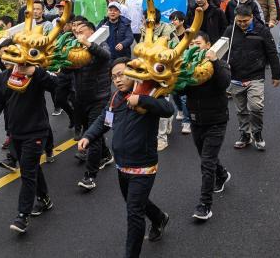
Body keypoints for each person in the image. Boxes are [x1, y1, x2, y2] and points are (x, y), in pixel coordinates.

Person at [79, 57, 172, 257]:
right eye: (114, 77)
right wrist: (87, 136)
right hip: (122, 166)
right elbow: (104, 120)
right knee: (135, 203)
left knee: (134, 213)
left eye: (121, 74)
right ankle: (159, 218)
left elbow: (168, 109)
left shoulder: (150, 93)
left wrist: (143, 100)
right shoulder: (116, 99)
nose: (118, 80)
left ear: (134, 73)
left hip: (144, 167)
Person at [0, 63, 57, 234]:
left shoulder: (35, 72)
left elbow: (56, 86)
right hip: (16, 132)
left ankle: (23, 216)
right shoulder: (4, 76)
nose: (6, 60)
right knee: (32, 167)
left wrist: (36, 72)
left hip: (36, 131)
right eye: (5, 55)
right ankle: (44, 199)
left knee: (27, 172)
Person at [186, 32, 231, 220]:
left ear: (208, 45)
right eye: (191, 44)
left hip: (216, 120)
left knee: (206, 161)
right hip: (196, 120)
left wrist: (215, 61)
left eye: (198, 43)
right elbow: (180, 88)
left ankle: (205, 205)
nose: (194, 47)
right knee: (206, 157)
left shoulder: (220, 63)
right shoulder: (187, 66)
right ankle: (222, 174)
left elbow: (224, 83)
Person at [225, 5, 280, 151]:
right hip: (236, 76)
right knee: (241, 109)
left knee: (256, 107)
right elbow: (222, 50)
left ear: (251, 17)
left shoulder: (262, 30)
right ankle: (245, 134)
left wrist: (276, 75)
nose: (242, 24)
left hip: (255, 75)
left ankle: (257, 133)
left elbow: (272, 52)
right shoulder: (230, 31)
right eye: (239, 21)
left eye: (245, 21)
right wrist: (224, 66)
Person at [72, 20, 114, 190]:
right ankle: (106, 155)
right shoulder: (76, 50)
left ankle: (90, 176)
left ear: (91, 31)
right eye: (76, 32)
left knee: (93, 136)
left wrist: (88, 44)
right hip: (81, 99)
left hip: (101, 99)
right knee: (91, 130)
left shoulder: (101, 45)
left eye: (82, 31)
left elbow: (106, 56)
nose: (78, 34)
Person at [168, 11, 191, 135]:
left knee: (184, 97)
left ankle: (187, 122)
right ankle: (180, 111)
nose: (173, 22)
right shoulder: (169, 35)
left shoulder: (189, 34)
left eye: (175, 19)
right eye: (171, 19)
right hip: (173, 68)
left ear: (182, 21)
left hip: (185, 68)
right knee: (175, 93)